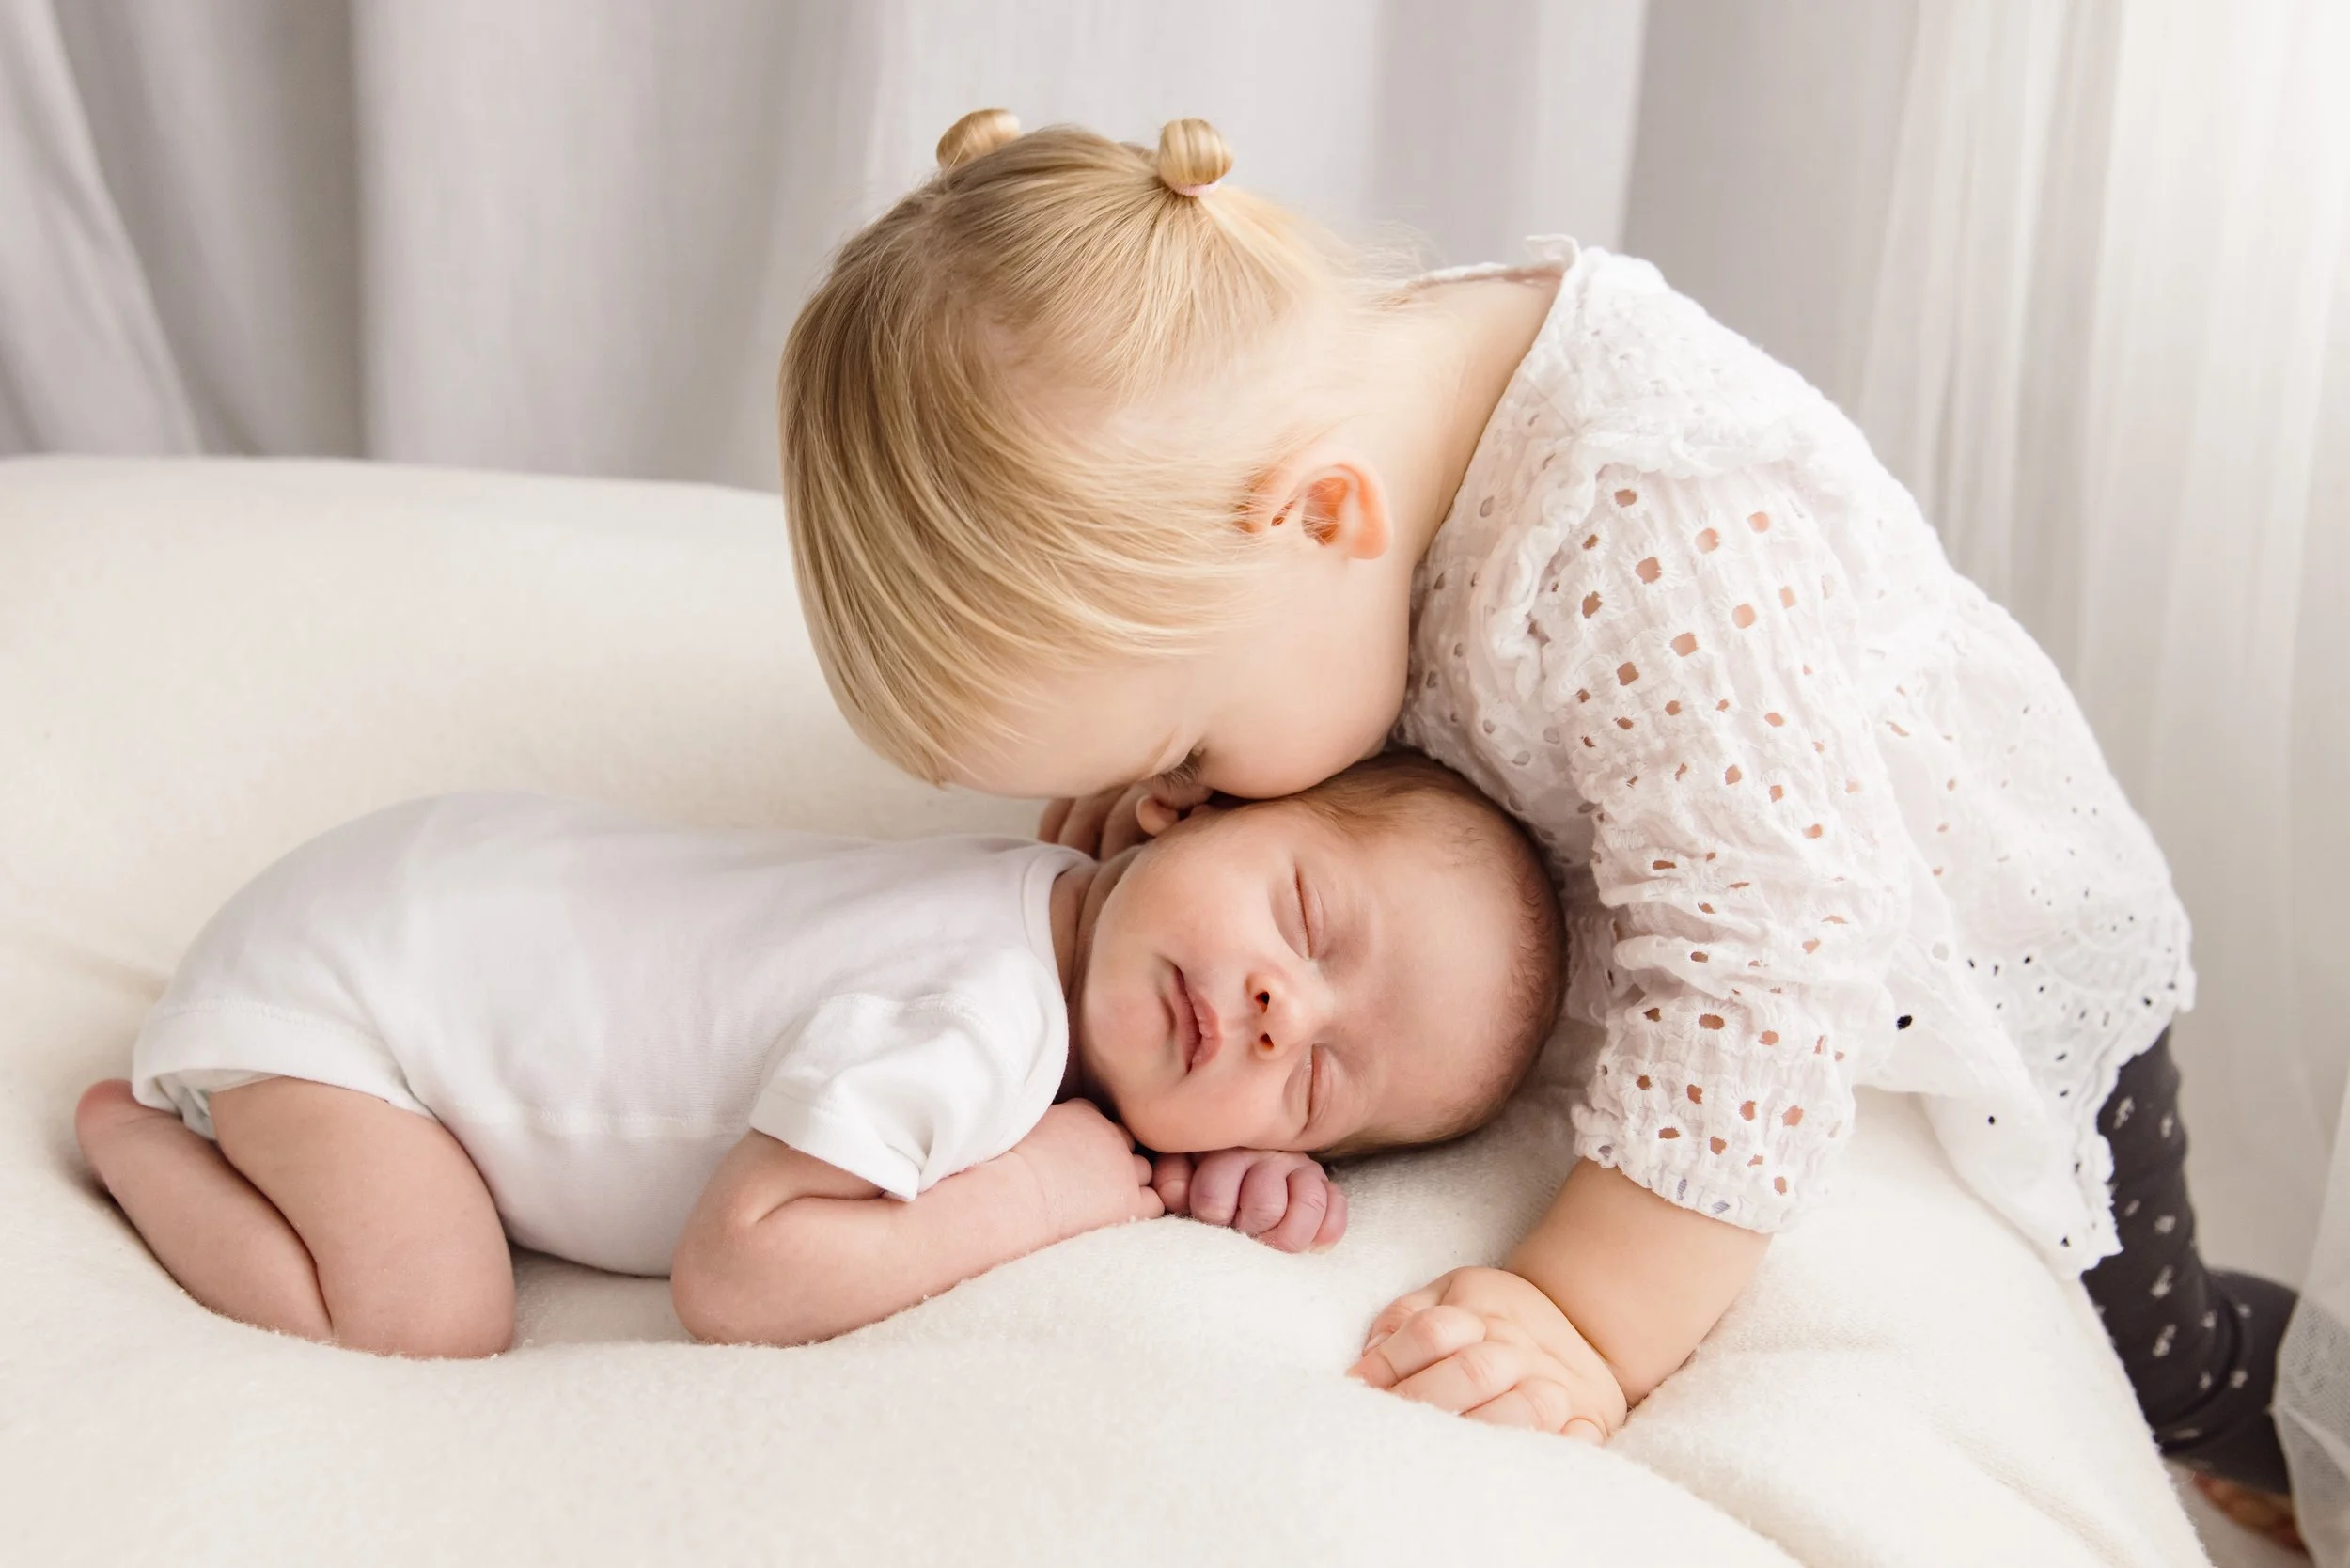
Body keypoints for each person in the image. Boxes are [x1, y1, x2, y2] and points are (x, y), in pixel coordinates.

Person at [776, 106, 2299, 1498]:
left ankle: (2271, 1426)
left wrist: (1584, 1313)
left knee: (2168, 1367)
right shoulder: (1281, 422)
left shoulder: (1644, 531)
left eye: (1181, 744)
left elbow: (1772, 967)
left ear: (1324, 520)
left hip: (1978, 959)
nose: (1167, 798)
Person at [74, 751, 1562, 1357]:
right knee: (430, 1316)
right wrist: (1051, 1191)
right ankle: (136, 1136)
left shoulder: (1036, 908)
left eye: (1313, 1080)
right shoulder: (977, 1026)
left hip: (441, 885)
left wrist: (1198, 1162)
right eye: (1304, 919)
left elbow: (1127, 1058)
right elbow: (744, 1268)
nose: (1274, 1011)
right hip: (348, 1005)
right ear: (1177, 806)